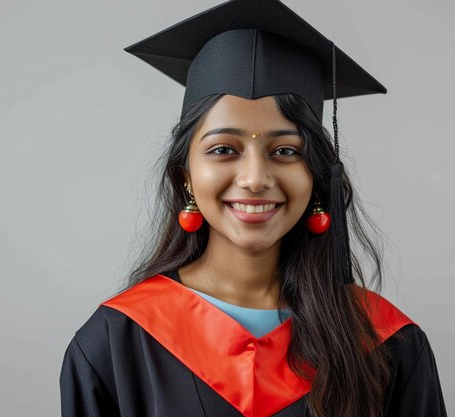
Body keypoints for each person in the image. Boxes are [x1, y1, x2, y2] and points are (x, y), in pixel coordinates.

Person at [59, 0, 448, 416]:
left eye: (284, 150)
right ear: (185, 173)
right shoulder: (115, 342)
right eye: (224, 149)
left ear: (316, 173)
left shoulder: (386, 343)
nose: (255, 177)